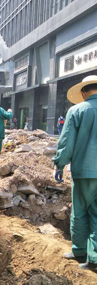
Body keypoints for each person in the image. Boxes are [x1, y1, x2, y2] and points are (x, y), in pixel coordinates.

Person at [54, 75, 97, 271]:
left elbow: (66, 142)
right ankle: (94, 258)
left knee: (79, 211)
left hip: (83, 171)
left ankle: (79, 251)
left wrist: (59, 164)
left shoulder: (76, 110)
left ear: (82, 92)